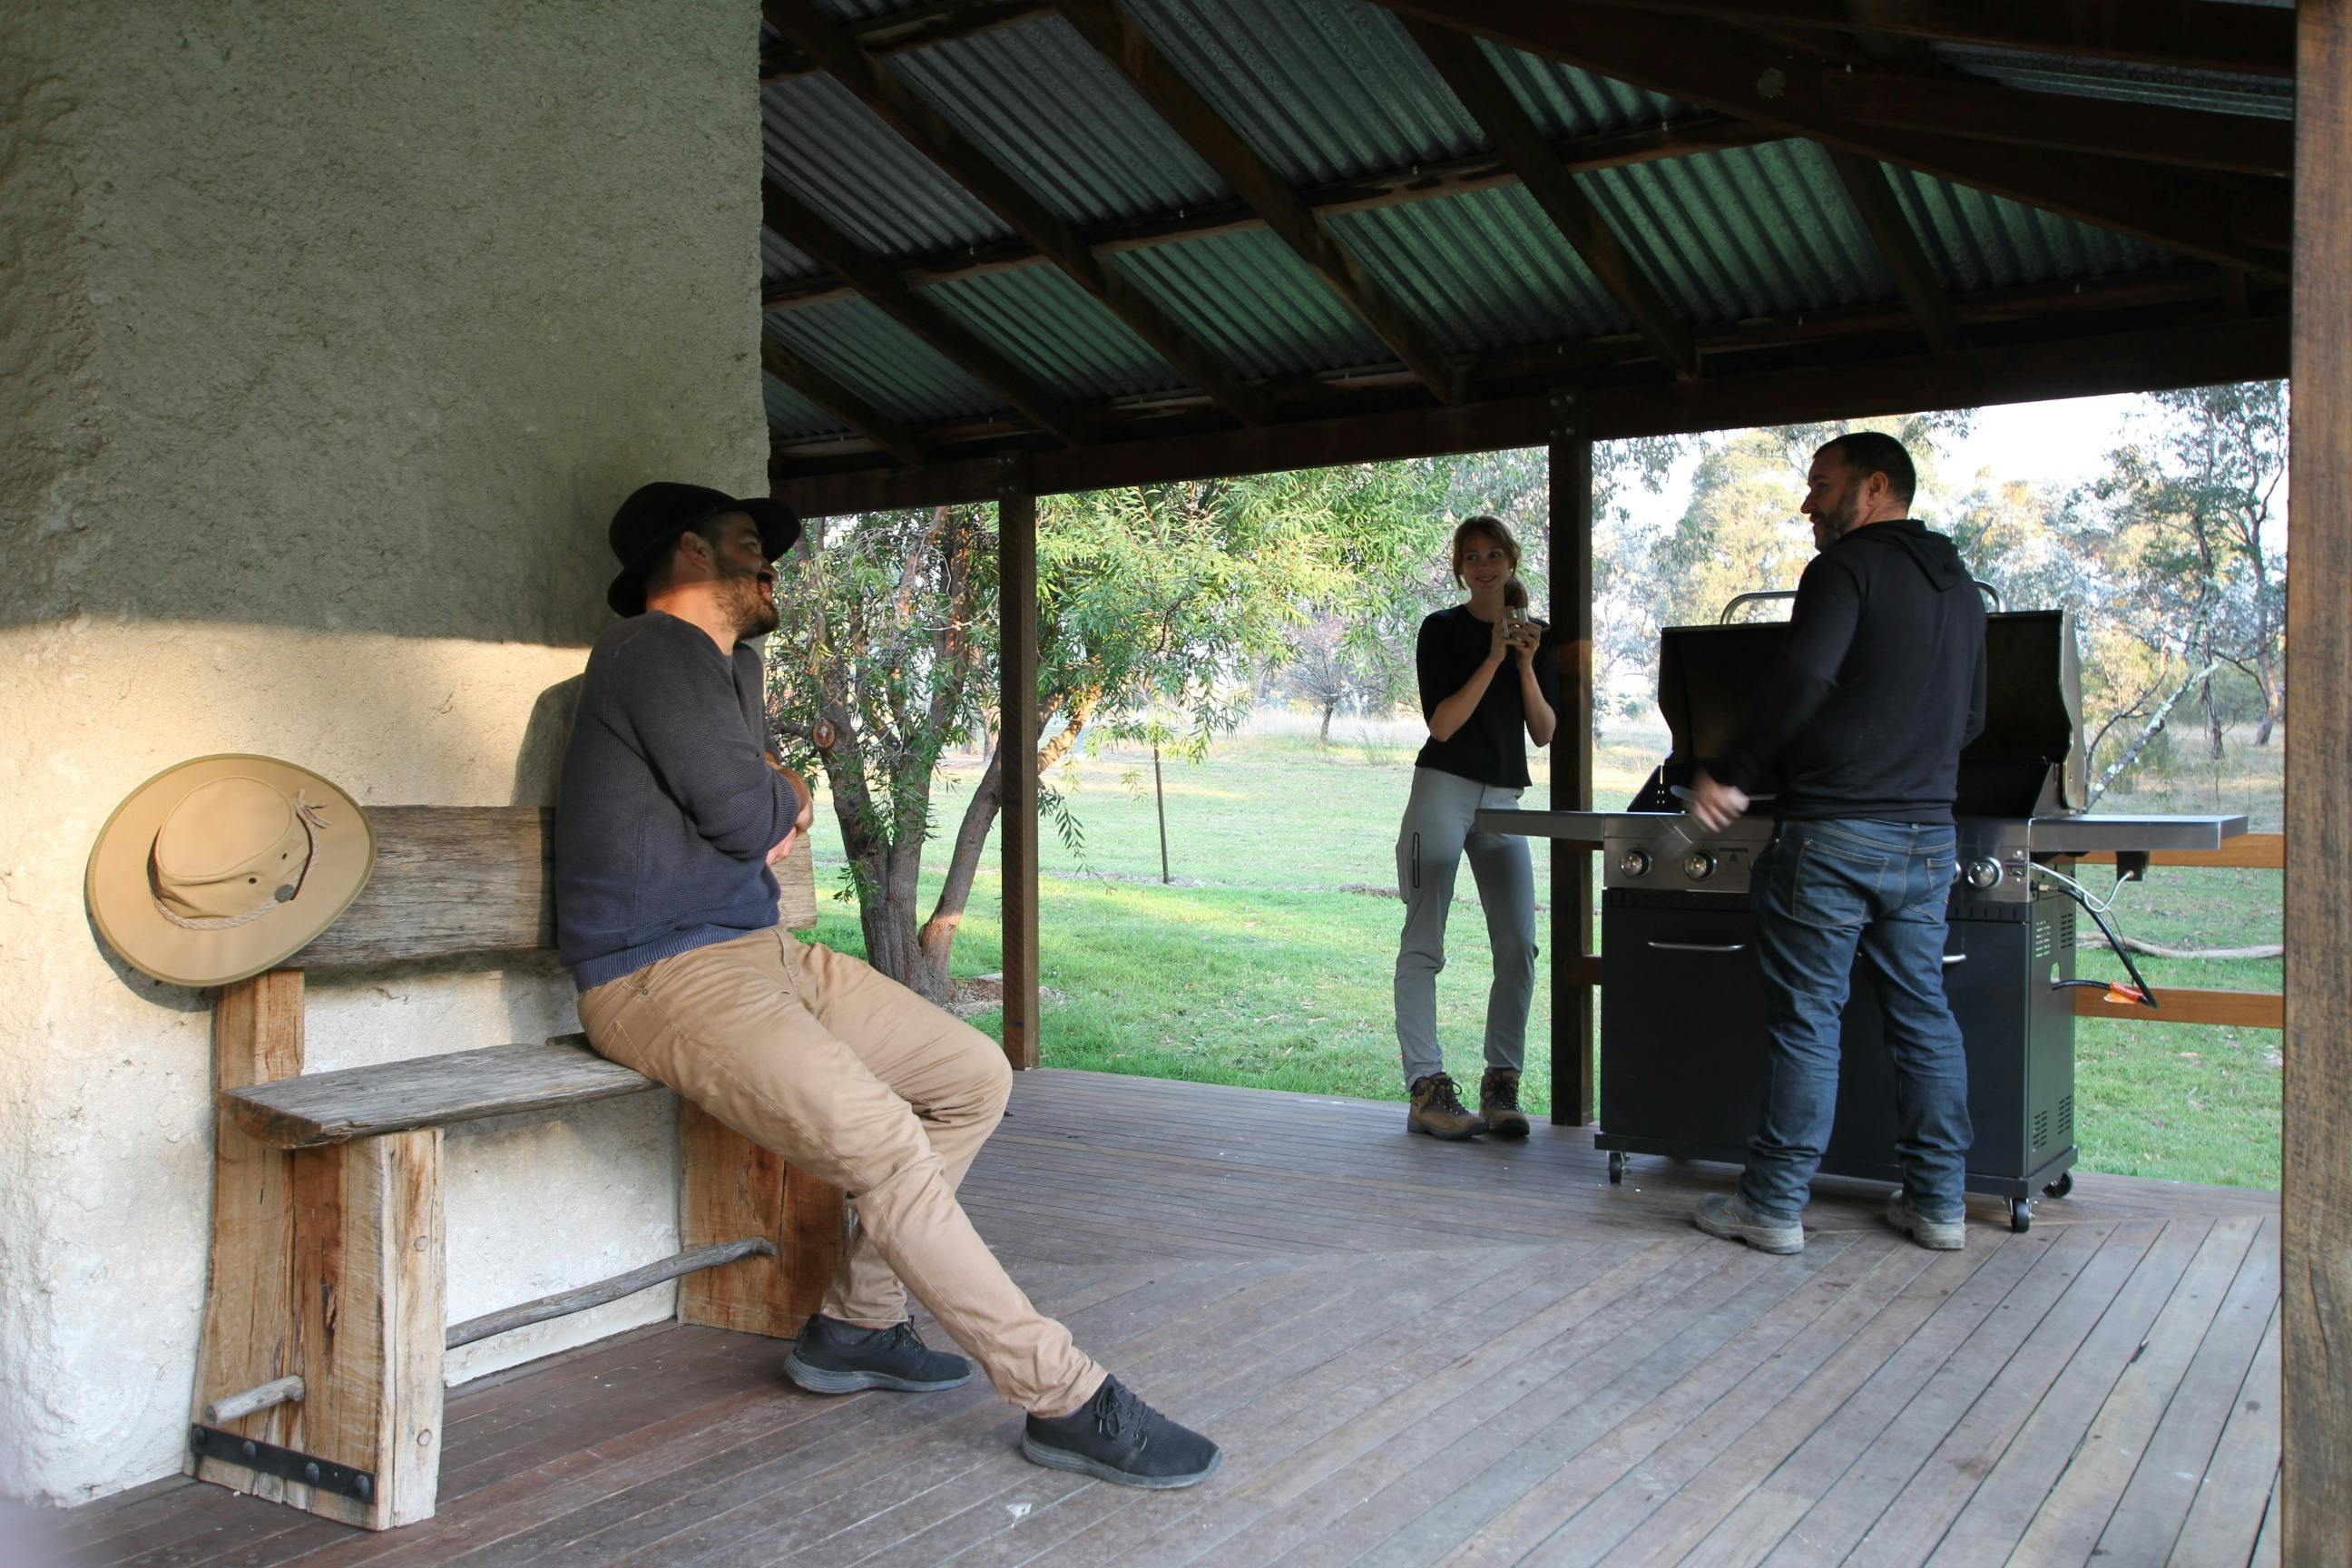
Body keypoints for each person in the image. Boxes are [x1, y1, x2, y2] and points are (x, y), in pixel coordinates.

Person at [553, 481, 1220, 1488]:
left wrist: (772, 794)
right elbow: (750, 814)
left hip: (760, 954)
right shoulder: (651, 650)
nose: (769, 562)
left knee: (971, 1075)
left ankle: (858, 1324)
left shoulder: (726, 664)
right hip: (663, 976)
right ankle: (1063, 1394)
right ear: (688, 554)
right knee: (881, 1137)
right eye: (747, 544)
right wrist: (783, 794)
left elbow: (752, 802)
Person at [1682, 432, 1988, 1255]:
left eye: (1821, 485)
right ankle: (1938, 1206)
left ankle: (1774, 1207)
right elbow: (1972, 721)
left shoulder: (1844, 571)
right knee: (1924, 1018)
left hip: (1833, 836)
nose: (1807, 502)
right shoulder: (1961, 590)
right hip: (1928, 839)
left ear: (1876, 487)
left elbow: (1805, 678)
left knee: (1808, 1022)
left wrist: (1734, 770)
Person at [1393, 515, 1558, 1140]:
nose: (1484, 565)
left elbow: (1543, 731)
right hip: (1442, 786)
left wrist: (1522, 664)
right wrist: (1492, 656)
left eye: (1494, 555)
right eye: (1472, 557)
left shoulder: (1535, 637)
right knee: (1424, 941)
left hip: (1503, 795)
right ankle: (1428, 1088)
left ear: (1512, 560)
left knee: (1519, 943)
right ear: (1459, 567)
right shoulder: (1441, 629)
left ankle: (1501, 1085)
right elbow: (1443, 725)